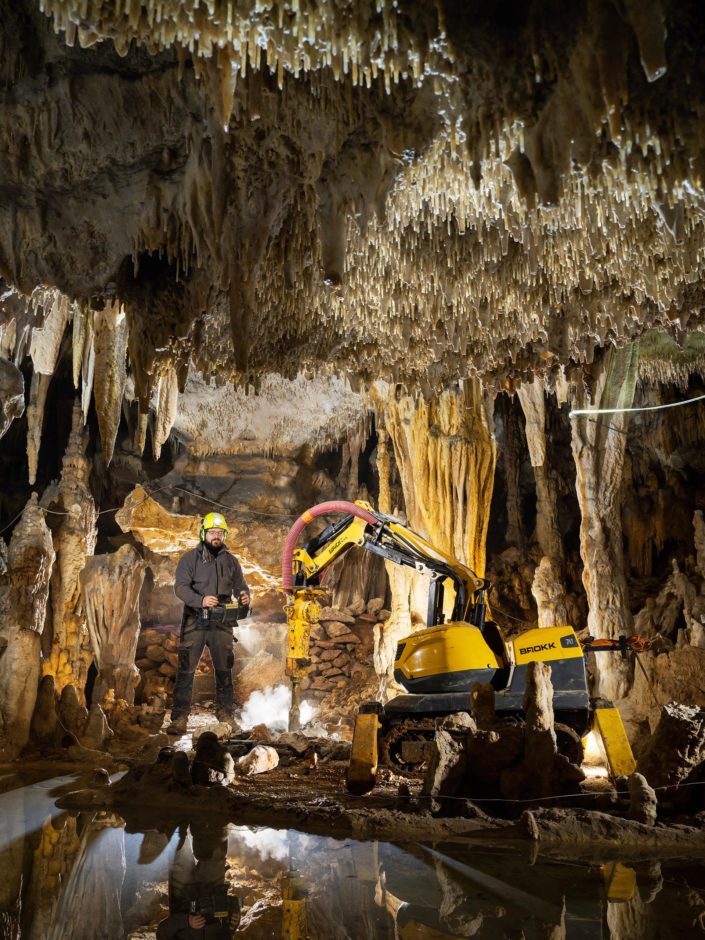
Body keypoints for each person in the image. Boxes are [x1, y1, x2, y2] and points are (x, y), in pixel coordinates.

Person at [167, 512, 250, 734]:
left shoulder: (231, 562)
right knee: (186, 669)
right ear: (203, 533)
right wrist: (201, 600)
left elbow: (240, 585)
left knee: (224, 669)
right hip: (195, 618)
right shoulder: (189, 559)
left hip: (222, 620)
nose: (216, 536)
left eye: (220, 533)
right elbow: (181, 588)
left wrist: (244, 595)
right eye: (212, 532)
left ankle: (226, 715)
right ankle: (180, 718)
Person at [156, 821, 241, 939]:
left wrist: (187, 921)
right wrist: (235, 921)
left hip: (184, 897)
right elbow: (228, 930)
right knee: (216, 853)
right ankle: (209, 815)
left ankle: (178, 813)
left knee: (179, 847)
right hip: (212, 893)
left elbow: (162, 932)